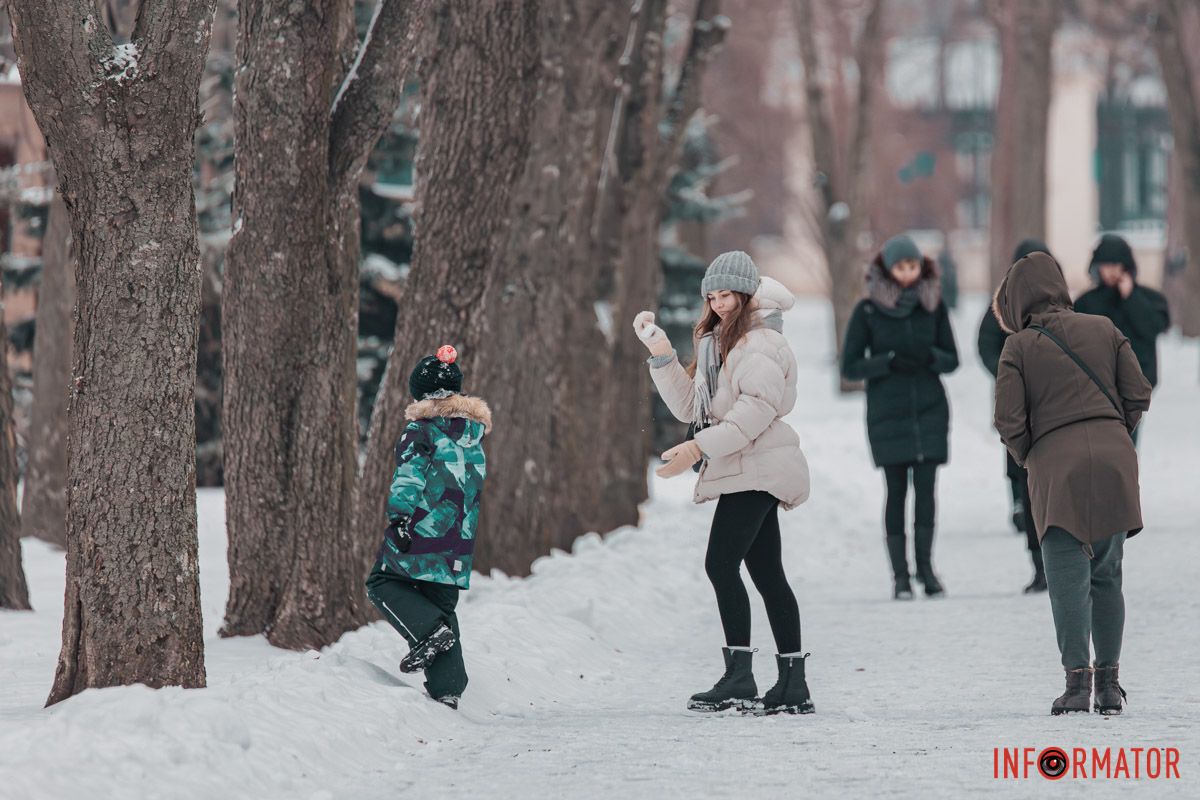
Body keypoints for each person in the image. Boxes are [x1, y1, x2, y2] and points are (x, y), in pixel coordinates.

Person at [633, 250, 813, 715]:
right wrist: (661, 352)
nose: (718, 304)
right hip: (743, 465)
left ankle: (741, 677)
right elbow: (693, 408)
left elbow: (754, 413)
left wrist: (698, 449)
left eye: (727, 295)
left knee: (721, 564)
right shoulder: (718, 344)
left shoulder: (760, 345)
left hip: (758, 466)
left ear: (747, 293)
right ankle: (791, 683)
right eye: (711, 297)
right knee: (767, 574)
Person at [992, 253, 1151, 716]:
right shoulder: (1104, 328)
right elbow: (1138, 392)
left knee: (1066, 580)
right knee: (1107, 575)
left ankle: (1077, 686)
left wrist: (1031, 455)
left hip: (1055, 468)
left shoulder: (1018, 347)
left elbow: (1008, 419)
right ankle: (1109, 686)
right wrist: (1115, 431)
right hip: (1112, 461)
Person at [365, 345, 491, 710]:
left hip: (424, 529)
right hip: (459, 540)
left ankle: (428, 632)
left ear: (419, 393)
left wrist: (400, 518)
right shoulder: (473, 435)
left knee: (382, 583)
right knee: (439, 601)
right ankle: (447, 689)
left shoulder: (420, 431)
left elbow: (409, 476)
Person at [841, 234, 958, 600]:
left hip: (929, 409)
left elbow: (952, 358)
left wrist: (929, 358)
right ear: (887, 269)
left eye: (913, 266)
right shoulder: (869, 311)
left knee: (926, 492)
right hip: (888, 412)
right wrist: (887, 363)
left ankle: (927, 569)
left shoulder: (932, 305)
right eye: (900, 267)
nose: (907, 274)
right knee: (895, 492)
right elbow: (850, 366)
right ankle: (901, 576)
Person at [978, 238, 1053, 594]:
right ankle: (1039, 565)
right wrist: (1008, 372)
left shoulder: (1061, 306)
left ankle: (1059, 564)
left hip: (1054, 407)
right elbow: (985, 345)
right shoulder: (1001, 305)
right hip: (1017, 405)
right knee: (1020, 475)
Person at [1074, 233, 1169, 444]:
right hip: (1095, 387)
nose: (1110, 272)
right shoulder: (1085, 303)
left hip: (1134, 388)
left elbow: (1154, 327)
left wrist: (1131, 297)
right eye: (1105, 265)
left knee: (1126, 445)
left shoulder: (1149, 299)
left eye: (1115, 265)